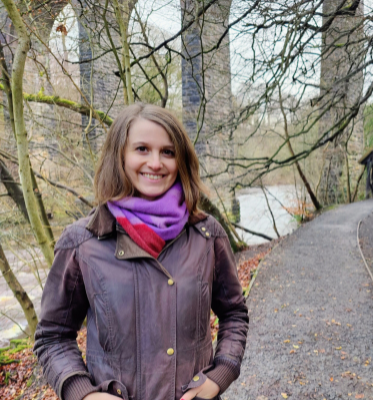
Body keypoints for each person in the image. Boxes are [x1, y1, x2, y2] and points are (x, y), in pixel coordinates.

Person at [33, 103, 249, 400]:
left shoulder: (207, 234)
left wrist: (220, 374)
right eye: (142, 149)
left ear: (180, 160)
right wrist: (83, 393)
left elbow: (234, 314)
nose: (156, 162)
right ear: (119, 156)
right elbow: (53, 337)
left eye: (168, 152)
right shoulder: (81, 242)